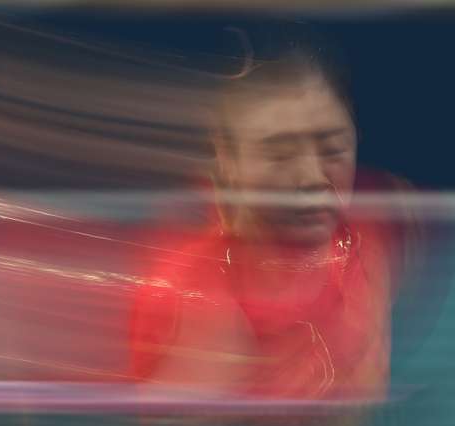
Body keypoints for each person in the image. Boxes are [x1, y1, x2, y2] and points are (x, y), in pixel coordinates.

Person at [129, 32, 416, 401]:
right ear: (226, 161)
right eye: (279, 154)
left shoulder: (371, 246)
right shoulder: (184, 292)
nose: (312, 177)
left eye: (332, 148)